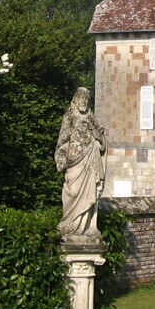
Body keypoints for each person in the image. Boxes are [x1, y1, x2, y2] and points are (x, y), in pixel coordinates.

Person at [55, 87, 105, 239]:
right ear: (76, 99)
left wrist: (98, 137)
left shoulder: (90, 116)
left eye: (86, 98)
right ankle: (69, 225)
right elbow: (62, 140)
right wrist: (61, 158)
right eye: (81, 97)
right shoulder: (69, 115)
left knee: (89, 193)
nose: (84, 100)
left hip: (90, 160)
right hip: (74, 162)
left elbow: (101, 139)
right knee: (73, 192)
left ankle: (87, 227)